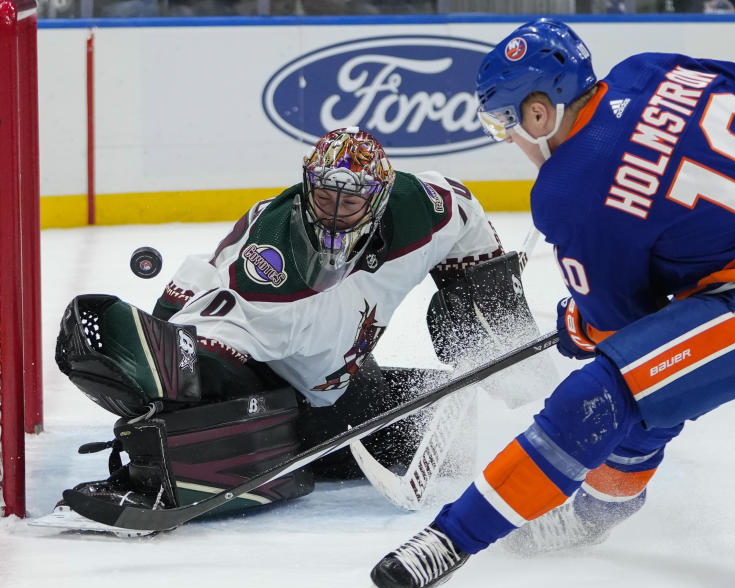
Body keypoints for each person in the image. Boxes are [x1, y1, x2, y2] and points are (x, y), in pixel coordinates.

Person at [361, 18, 735, 588]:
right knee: (647, 383)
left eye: (507, 124)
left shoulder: (569, 189)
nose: (513, 141)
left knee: (599, 396)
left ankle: (450, 539)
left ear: (539, 113)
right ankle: (601, 511)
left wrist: (579, 325)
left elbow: (618, 332)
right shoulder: (653, 68)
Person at [50, 127, 539, 531]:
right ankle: (172, 451)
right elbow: (199, 341)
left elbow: (467, 215)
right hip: (266, 371)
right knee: (196, 383)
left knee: (470, 432)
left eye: (349, 202)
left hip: (342, 378)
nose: (332, 212)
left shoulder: (423, 208)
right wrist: (178, 400)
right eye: (324, 195)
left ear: (380, 199)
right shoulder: (271, 266)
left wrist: (488, 323)